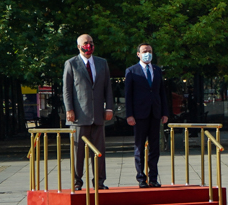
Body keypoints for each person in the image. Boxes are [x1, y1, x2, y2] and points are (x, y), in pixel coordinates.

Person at [63, 34, 113, 190]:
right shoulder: (71, 64)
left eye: (91, 42)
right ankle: (77, 182)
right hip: (79, 116)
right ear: (79, 46)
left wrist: (109, 107)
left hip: (98, 115)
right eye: (86, 43)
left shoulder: (102, 63)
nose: (89, 45)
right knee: (78, 152)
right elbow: (67, 89)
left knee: (99, 151)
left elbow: (107, 88)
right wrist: (69, 109)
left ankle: (99, 181)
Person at [124, 43, 170, 188]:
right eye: (144, 51)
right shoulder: (132, 71)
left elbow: (161, 92)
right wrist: (129, 114)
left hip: (155, 113)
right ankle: (141, 178)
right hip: (139, 114)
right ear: (138, 54)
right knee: (139, 147)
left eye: (149, 51)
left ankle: (153, 178)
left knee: (154, 147)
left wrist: (164, 112)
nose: (147, 54)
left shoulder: (157, 70)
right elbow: (128, 95)